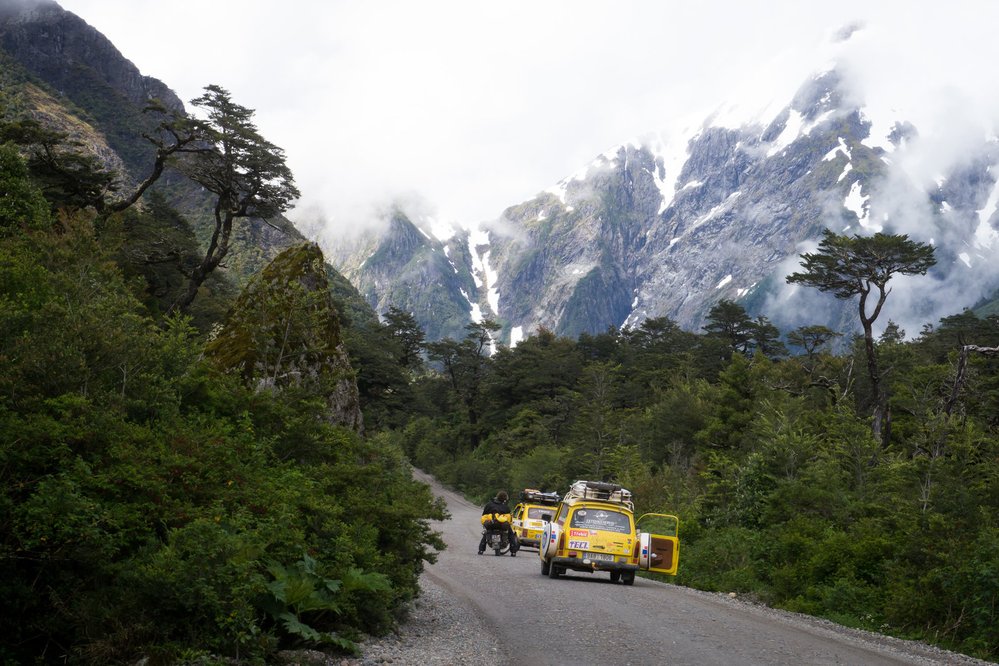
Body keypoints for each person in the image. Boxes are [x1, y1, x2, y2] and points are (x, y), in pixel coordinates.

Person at [478, 490, 519, 555]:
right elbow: (509, 518)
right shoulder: (505, 507)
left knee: (485, 534)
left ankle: (481, 550)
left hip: (491, 524)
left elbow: (484, 515)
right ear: (504, 499)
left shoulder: (489, 504)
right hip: (502, 525)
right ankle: (513, 552)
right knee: (511, 535)